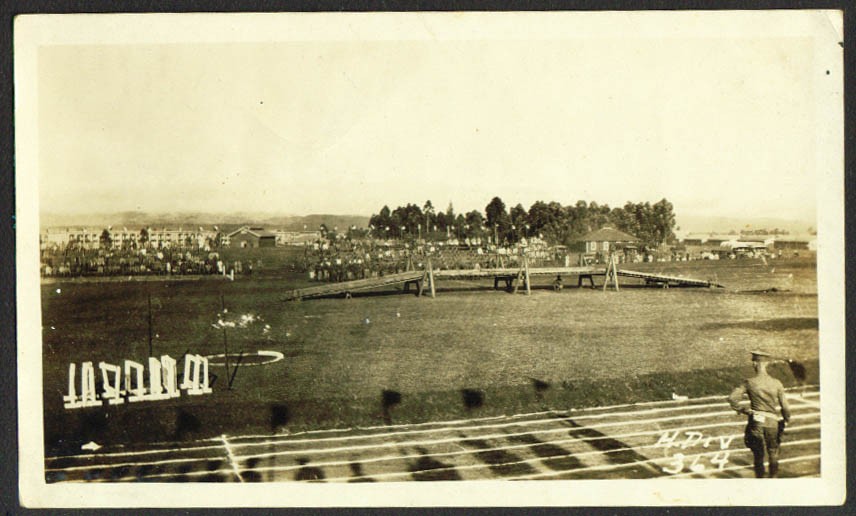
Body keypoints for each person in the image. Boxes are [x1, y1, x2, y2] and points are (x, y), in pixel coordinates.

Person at [728, 350, 791, 478]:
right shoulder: (777, 383)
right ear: (766, 364)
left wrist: (743, 410)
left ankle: (760, 478)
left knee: (758, 454)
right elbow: (785, 407)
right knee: (773, 451)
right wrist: (786, 419)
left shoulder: (749, 382)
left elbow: (732, 398)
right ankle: (774, 477)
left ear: (755, 364)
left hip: (756, 421)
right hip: (772, 421)